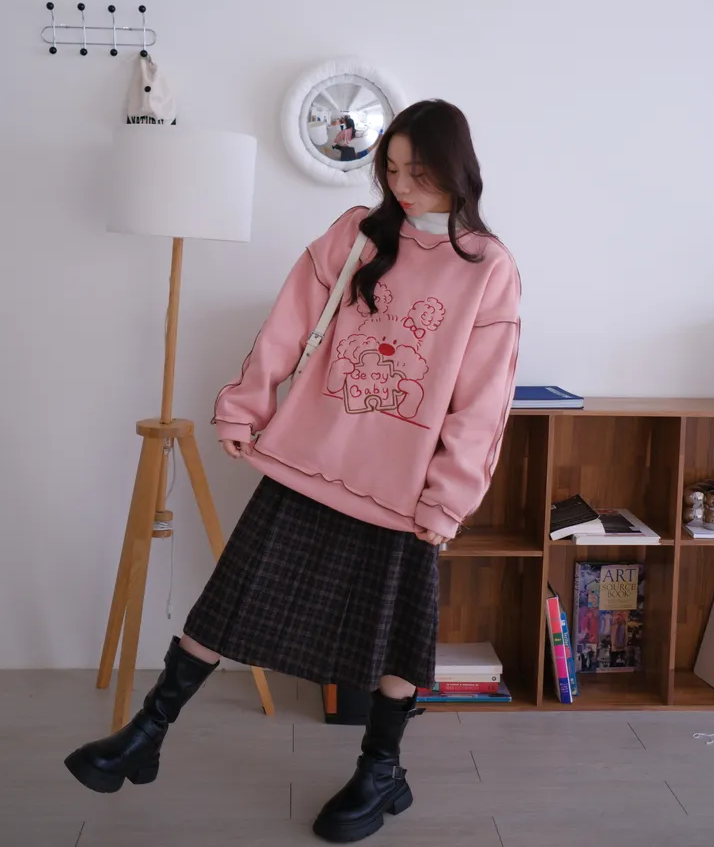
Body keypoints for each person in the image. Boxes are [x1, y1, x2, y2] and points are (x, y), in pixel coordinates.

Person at [64, 99, 521, 843]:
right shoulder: (357, 234)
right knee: (231, 600)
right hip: (309, 459)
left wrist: (449, 499)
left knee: (398, 634)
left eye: (419, 172)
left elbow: (483, 399)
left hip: (402, 492)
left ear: (457, 170)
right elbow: (287, 324)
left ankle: (380, 769)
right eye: (392, 169)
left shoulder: (487, 268)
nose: (402, 186)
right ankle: (146, 734)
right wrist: (242, 406)